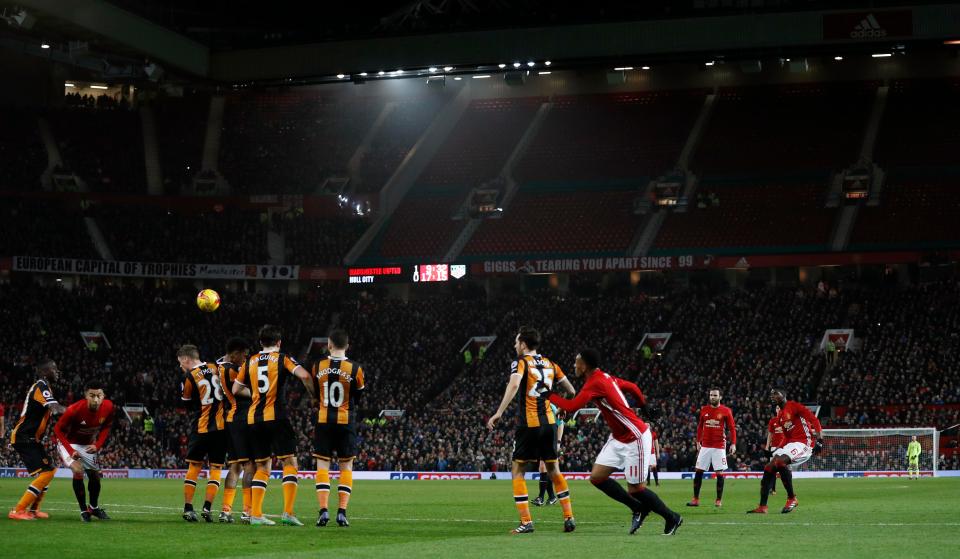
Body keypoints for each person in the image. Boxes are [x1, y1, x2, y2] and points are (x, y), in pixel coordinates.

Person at [548, 349, 682, 536]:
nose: (574, 365)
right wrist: (643, 405)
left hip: (635, 437)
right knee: (597, 477)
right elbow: (633, 387)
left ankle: (672, 517)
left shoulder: (595, 382)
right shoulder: (604, 377)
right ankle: (638, 508)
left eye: (576, 362)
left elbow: (572, 406)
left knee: (636, 489)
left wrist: (547, 395)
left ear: (584, 365)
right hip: (618, 438)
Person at [487, 326, 577, 534]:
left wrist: (499, 412)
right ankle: (569, 517)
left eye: (517, 342)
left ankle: (526, 522)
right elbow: (571, 391)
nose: (514, 345)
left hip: (529, 424)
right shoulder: (551, 364)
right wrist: (563, 407)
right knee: (554, 470)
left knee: (518, 471)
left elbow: (514, 386)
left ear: (524, 344)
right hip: (550, 423)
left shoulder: (520, 363)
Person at [233, 324, 315, 526]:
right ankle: (287, 513)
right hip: (276, 417)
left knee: (262, 466)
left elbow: (235, 388)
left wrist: (254, 396)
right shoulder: (282, 358)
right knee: (290, 463)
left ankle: (256, 515)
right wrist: (313, 397)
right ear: (279, 343)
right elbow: (304, 375)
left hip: (253, 418)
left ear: (261, 343)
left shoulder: (250, 361)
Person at [311, 329, 365, 528]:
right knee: (346, 467)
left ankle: (323, 511)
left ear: (329, 344)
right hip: (345, 420)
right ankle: (342, 513)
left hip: (324, 420)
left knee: (322, 466)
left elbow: (316, 392)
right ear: (347, 346)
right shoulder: (355, 368)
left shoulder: (317, 365)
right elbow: (357, 397)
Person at [8, 358, 66, 520]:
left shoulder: (45, 387)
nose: (57, 371)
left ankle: (33, 510)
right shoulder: (41, 386)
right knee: (47, 473)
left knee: (50, 470)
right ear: (43, 372)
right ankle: (18, 510)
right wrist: (77, 411)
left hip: (31, 438)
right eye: (53, 368)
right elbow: (55, 409)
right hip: (23, 436)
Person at [748, 389, 823, 514]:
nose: (773, 396)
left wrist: (820, 440)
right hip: (791, 443)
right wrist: (774, 451)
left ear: (784, 395)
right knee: (768, 467)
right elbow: (787, 437)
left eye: (776, 393)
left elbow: (814, 420)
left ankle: (792, 498)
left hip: (804, 443)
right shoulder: (780, 417)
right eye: (771, 394)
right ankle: (762, 506)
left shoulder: (794, 406)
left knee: (779, 462)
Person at [178, 344, 228, 522]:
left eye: (180, 362)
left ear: (186, 359)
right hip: (221, 428)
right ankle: (207, 508)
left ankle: (188, 508)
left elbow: (186, 403)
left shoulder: (189, 376)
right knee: (216, 468)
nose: (180, 366)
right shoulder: (216, 367)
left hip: (201, 427)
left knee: (194, 467)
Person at [53, 379, 115, 522]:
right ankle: (83, 511)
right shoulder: (74, 409)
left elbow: (107, 426)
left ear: (104, 395)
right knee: (78, 469)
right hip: (68, 443)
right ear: (86, 396)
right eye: (92, 395)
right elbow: (57, 430)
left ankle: (93, 508)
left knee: (94, 476)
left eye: (99, 395)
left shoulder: (109, 407)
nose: (96, 399)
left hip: (88, 445)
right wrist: (69, 450)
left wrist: (97, 445)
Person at [217, 337, 253, 523]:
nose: (245, 359)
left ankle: (225, 511)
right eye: (244, 355)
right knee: (250, 465)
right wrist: (259, 393)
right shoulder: (233, 370)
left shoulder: (221, 367)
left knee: (235, 466)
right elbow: (238, 389)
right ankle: (248, 512)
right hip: (242, 418)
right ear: (235, 354)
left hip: (230, 418)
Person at [688, 388, 736, 508]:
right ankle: (695, 499)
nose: (712, 397)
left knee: (719, 472)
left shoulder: (726, 411)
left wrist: (733, 443)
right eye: (711, 395)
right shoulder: (704, 409)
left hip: (719, 446)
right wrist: (698, 441)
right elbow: (700, 426)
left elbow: (732, 428)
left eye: (715, 395)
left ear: (720, 397)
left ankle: (718, 500)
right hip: (705, 446)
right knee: (698, 471)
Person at [532, 405, 564, 506]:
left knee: (545, 468)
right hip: (542, 440)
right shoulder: (534, 406)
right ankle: (551, 497)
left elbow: (561, 423)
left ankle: (541, 498)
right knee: (546, 470)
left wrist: (558, 442)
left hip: (551, 440)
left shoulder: (551, 407)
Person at [765, 406, 786, 495]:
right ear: (775, 409)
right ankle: (772, 489)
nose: (778, 409)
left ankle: (789, 490)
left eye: (780, 408)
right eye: (777, 408)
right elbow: (770, 434)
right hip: (774, 448)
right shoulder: (773, 420)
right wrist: (767, 446)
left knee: (785, 469)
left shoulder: (787, 420)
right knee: (772, 469)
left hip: (785, 448)